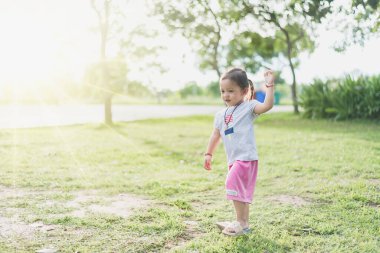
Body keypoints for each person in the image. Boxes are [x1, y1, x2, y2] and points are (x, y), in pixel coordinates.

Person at [203, 67, 275, 236]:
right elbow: (216, 135)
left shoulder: (249, 107)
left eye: (230, 91)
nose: (225, 95)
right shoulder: (220, 115)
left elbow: (267, 105)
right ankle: (244, 224)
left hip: (246, 158)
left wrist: (269, 86)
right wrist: (208, 153)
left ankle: (240, 221)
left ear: (243, 91)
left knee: (231, 183)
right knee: (240, 191)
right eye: (222, 91)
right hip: (233, 159)